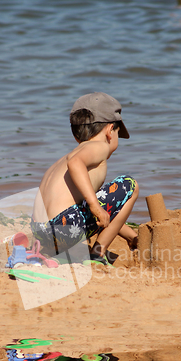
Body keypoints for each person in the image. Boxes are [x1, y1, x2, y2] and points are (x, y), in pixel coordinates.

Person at [31, 92, 138, 265]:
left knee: (92, 201)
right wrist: (96, 207)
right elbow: (76, 163)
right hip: (63, 228)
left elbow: (104, 210)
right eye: (118, 133)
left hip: (41, 233)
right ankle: (97, 254)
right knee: (130, 185)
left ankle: (76, 252)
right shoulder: (99, 146)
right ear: (110, 131)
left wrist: (131, 237)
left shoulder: (62, 161)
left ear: (76, 135)